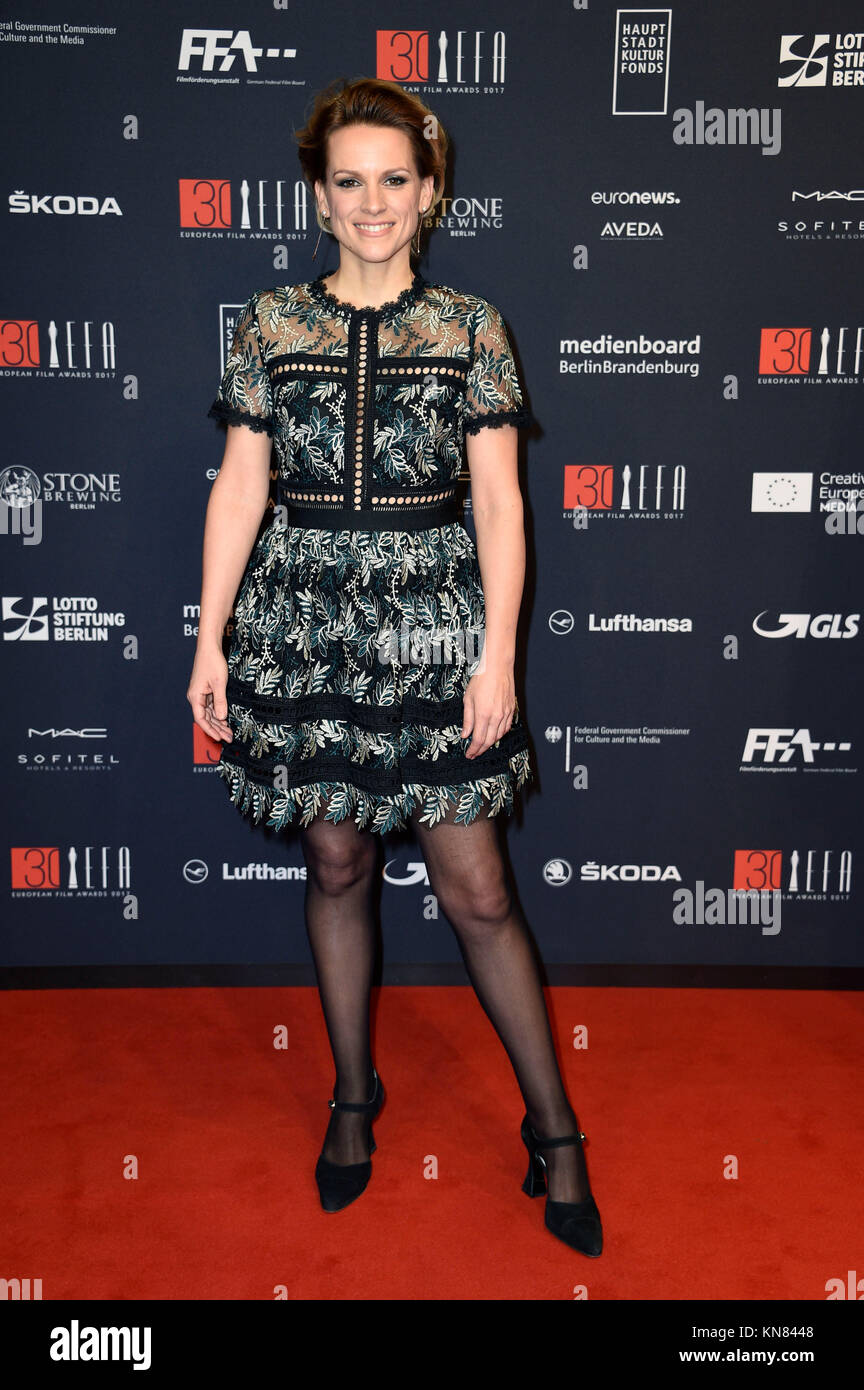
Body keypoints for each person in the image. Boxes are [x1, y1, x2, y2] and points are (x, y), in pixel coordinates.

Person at [187, 77, 602, 1258]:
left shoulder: (472, 326)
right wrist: (209, 636)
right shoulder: (269, 323)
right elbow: (241, 488)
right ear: (319, 192)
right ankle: (354, 1097)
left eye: (396, 179)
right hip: (303, 622)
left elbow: (502, 511)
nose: (374, 202)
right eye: (350, 180)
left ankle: (556, 1127)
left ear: (431, 191)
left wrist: (495, 658)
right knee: (336, 862)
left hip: (434, 624)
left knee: (477, 889)